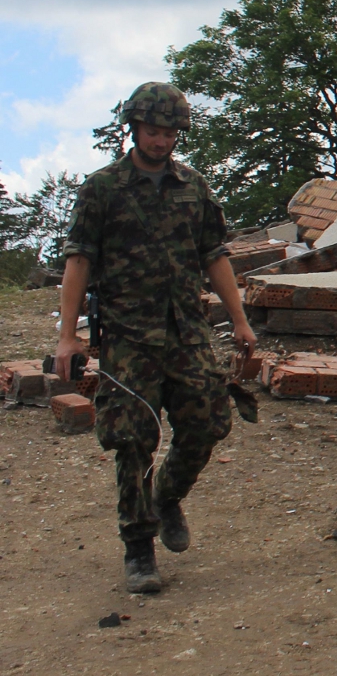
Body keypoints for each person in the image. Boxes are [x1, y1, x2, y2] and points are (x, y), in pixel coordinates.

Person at [56, 82, 256, 593]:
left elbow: (215, 255)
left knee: (209, 423)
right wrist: (68, 337)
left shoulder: (194, 186)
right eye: (152, 131)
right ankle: (139, 547)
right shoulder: (103, 188)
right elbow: (79, 260)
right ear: (134, 128)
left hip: (187, 331)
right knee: (133, 441)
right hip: (128, 337)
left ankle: (167, 497)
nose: (161, 141)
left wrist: (238, 319)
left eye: (169, 133)